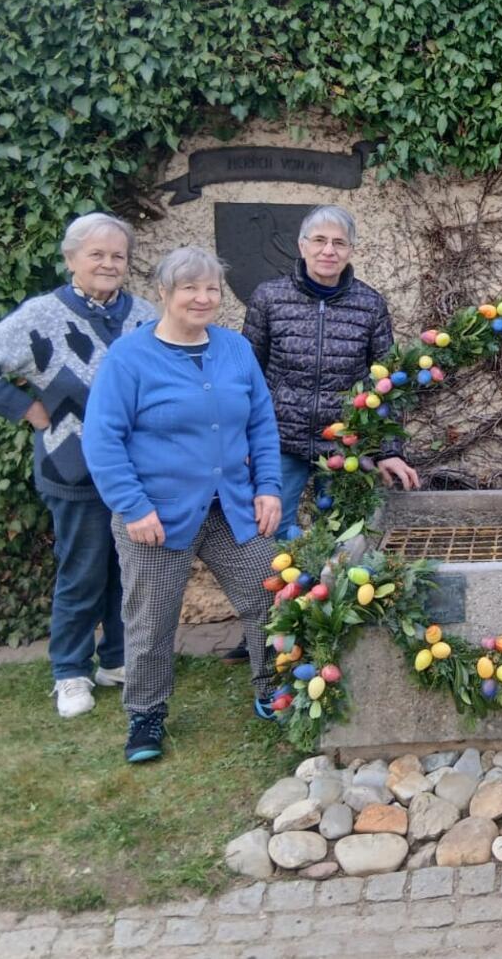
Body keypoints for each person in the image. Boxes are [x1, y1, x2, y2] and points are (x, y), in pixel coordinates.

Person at [0, 213, 156, 720]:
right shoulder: (41, 316)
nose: (108, 263)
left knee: (129, 571)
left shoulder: (144, 315)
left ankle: (119, 660)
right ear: (71, 260)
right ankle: (70, 671)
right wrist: (26, 409)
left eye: (117, 255)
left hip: (135, 472)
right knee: (81, 573)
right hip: (73, 467)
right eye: (96, 254)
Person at [83, 247, 283, 763]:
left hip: (232, 508)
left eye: (212, 288)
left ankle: (272, 688)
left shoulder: (235, 349)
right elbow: (103, 439)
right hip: (157, 514)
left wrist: (269, 488)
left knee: (269, 593)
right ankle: (146, 715)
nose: (203, 297)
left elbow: (261, 424)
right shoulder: (129, 358)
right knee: (152, 618)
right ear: (165, 294)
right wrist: (132, 506)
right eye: (190, 288)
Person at [230, 206, 419, 663]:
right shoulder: (269, 298)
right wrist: (243, 446)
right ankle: (268, 629)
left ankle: (332, 633)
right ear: (302, 246)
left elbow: (384, 385)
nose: (328, 250)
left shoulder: (370, 305)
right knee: (273, 541)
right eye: (319, 240)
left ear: (351, 250)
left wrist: (389, 450)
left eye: (338, 242)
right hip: (282, 444)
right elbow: (247, 375)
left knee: (344, 540)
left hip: (345, 449)